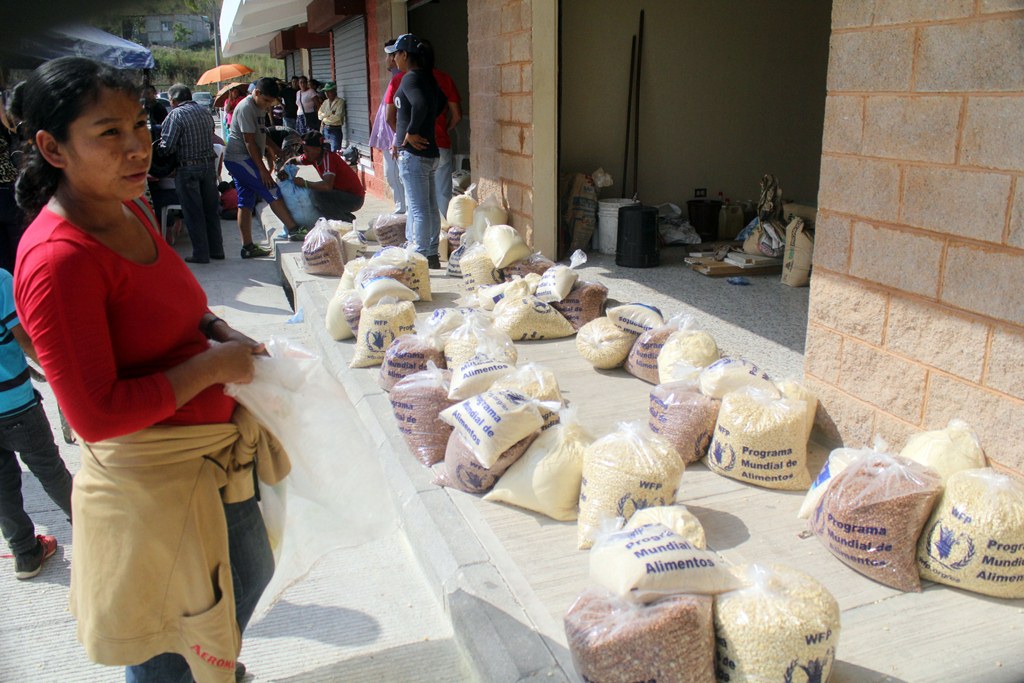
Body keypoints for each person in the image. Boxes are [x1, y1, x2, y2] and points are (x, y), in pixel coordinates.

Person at [13, 56, 284, 682]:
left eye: (139, 125)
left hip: (211, 463)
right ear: (53, 147)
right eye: (109, 133)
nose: (137, 148)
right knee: (169, 645)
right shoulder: (59, 260)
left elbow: (182, 303)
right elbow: (96, 414)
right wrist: (215, 367)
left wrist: (218, 330)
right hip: (153, 489)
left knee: (232, 598)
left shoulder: (127, 207)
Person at [0, 267, 73, 581]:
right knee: (50, 470)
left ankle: (26, 554)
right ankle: (98, 534)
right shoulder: (2, 281)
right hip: (17, 406)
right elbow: (26, 340)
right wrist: (62, 376)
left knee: (1, 487)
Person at [224, 77, 308, 252]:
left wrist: (276, 149)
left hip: (243, 159)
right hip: (239, 158)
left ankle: (247, 247)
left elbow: (262, 134)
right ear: (256, 93)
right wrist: (263, 171)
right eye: (266, 100)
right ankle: (293, 229)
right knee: (271, 189)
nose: (268, 105)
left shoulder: (259, 106)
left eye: (271, 102)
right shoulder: (246, 108)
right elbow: (249, 142)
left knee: (246, 202)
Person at [386, 34, 447, 269]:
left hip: (414, 154)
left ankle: (419, 258)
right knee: (430, 207)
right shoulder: (426, 78)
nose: (394, 59)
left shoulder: (409, 79)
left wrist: (411, 131)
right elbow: (439, 102)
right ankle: (431, 254)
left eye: (396, 54)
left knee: (419, 209)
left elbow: (421, 104)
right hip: (429, 153)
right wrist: (425, 124)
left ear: (405, 55)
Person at [160, 83, 224, 263]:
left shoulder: (176, 115)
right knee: (210, 210)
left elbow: (168, 146)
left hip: (187, 169)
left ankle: (201, 254)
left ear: (172, 100)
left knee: (193, 211)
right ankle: (217, 250)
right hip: (208, 167)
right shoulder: (205, 112)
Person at [418, 38, 463, 219]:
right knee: (443, 193)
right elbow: (457, 115)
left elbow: (393, 117)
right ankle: (444, 238)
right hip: (441, 143)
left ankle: (422, 242)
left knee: (419, 199)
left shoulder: (406, 80)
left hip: (417, 147)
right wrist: (446, 127)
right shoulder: (444, 79)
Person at [284, 131, 364, 222]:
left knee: (317, 195)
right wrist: (284, 167)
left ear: (317, 149)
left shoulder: (328, 158)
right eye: (304, 150)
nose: (304, 153)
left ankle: (344, 220)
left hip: (354, 199)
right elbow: (294, 160)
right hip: (342, 194)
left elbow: (327, 186)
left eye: (307, 150)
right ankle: (343, 217)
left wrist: (305, 183)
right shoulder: (313, 157)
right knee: (318, 194)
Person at [369, 39, 404, 214]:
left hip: (395, 138)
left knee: (396, 175)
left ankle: (402, 209)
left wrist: (397, 138)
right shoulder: (394, 78)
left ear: (393, 58)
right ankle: (401, 207)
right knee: (392, 176)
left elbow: (400, 112)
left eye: (388, 56)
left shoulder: (400, 78)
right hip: (390, 137)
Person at [1, 85, 26, 273]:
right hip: (5, 192)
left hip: (8, 190)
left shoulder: (8, 127)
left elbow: (13, 138)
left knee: (15, 244)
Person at [317, 81, 344, 152]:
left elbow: (337, 117)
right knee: (326, 150)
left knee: (335, 150)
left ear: (334, 91)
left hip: (335, 129)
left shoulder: (340, 102)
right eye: (326, 92)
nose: (327, 94)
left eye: (329, 91)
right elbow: (319, 115)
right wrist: (329, 114)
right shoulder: (325, 102)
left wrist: (324, 119)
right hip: (325, 129)